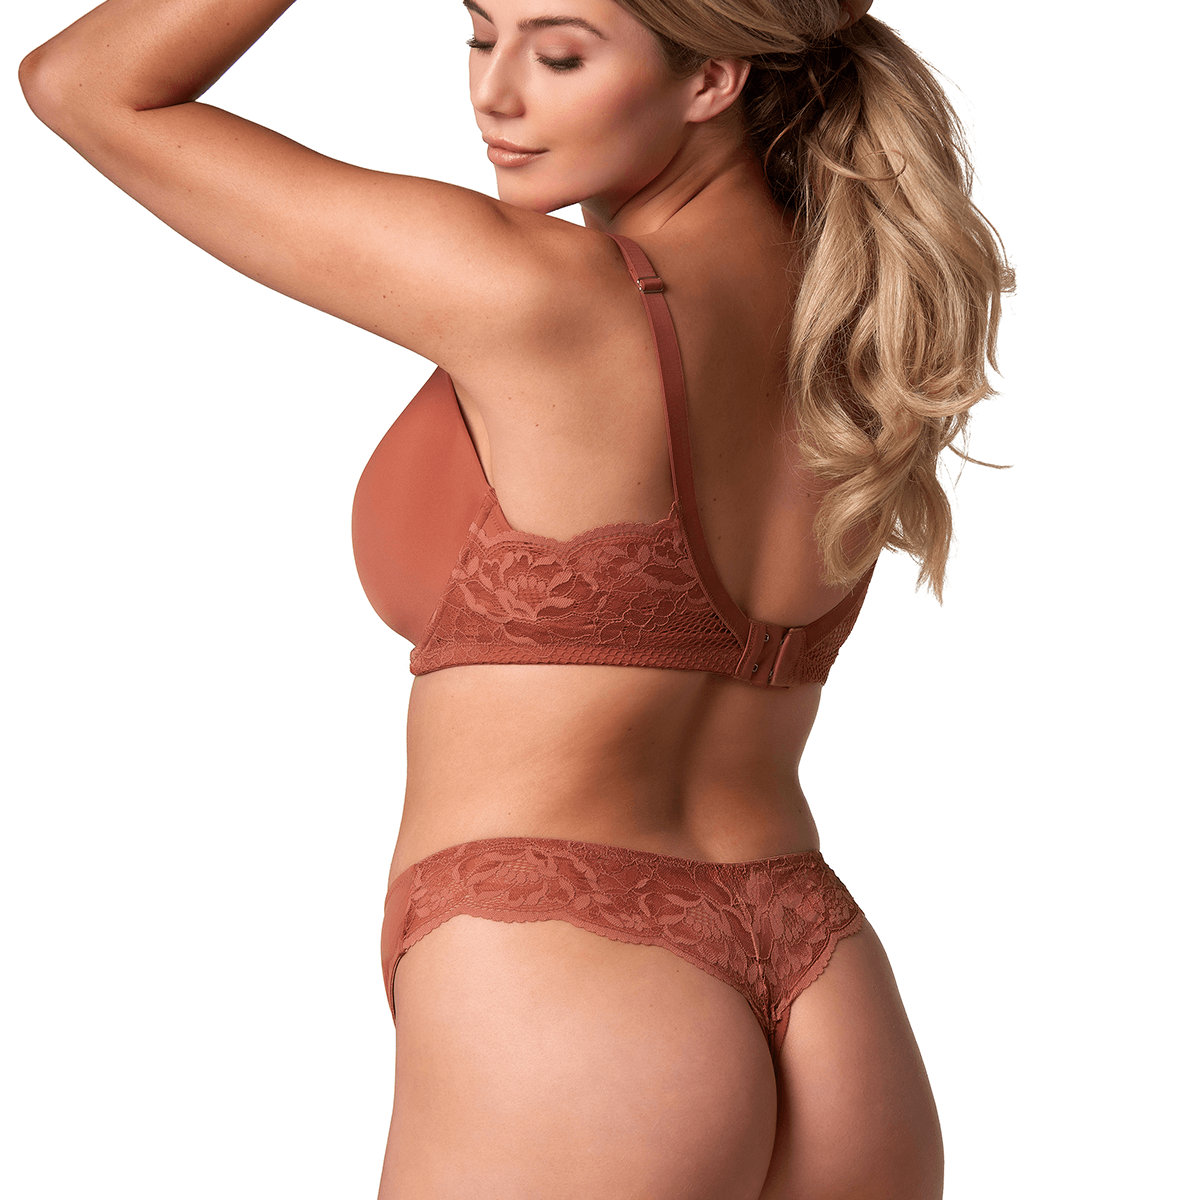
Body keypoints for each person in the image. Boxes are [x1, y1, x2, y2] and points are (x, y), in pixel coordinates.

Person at [19, 0, 1011, 1195]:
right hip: (829, 989)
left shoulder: (539, 293)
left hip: (570, 986)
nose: (496, 93)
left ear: (713, 80)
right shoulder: (859, 317)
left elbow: (88, 84)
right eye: (480, 35)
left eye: (562, 52)